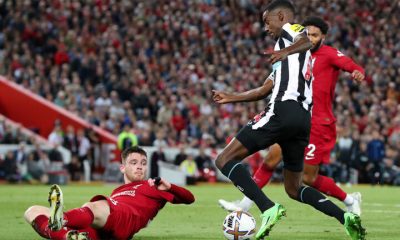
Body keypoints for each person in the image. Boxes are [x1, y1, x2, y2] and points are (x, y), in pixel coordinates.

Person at [211, 2, 365, 239]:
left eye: (266, 21)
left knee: (223, 159)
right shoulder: (296, 59)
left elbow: (304, 40)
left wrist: (284, 51)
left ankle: (268, 208)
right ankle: (344, 217)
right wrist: (231, 97)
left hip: (283, 111)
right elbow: (264, 90)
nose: (265, 28)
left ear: (280, 16)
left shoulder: (292, 32)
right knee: (294, 188)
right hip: (303, 121)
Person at [24, 146, 195, 240]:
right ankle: (68, 236)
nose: (140, 166)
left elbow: (190, 198)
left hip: (127, 219)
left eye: (143, 163)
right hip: (104, 228)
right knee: (32, 211)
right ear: (122, 168)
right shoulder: (117, 192)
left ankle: (61, 220)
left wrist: (170, 186)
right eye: (134, 162)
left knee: (96, 206)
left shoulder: (154, 186)